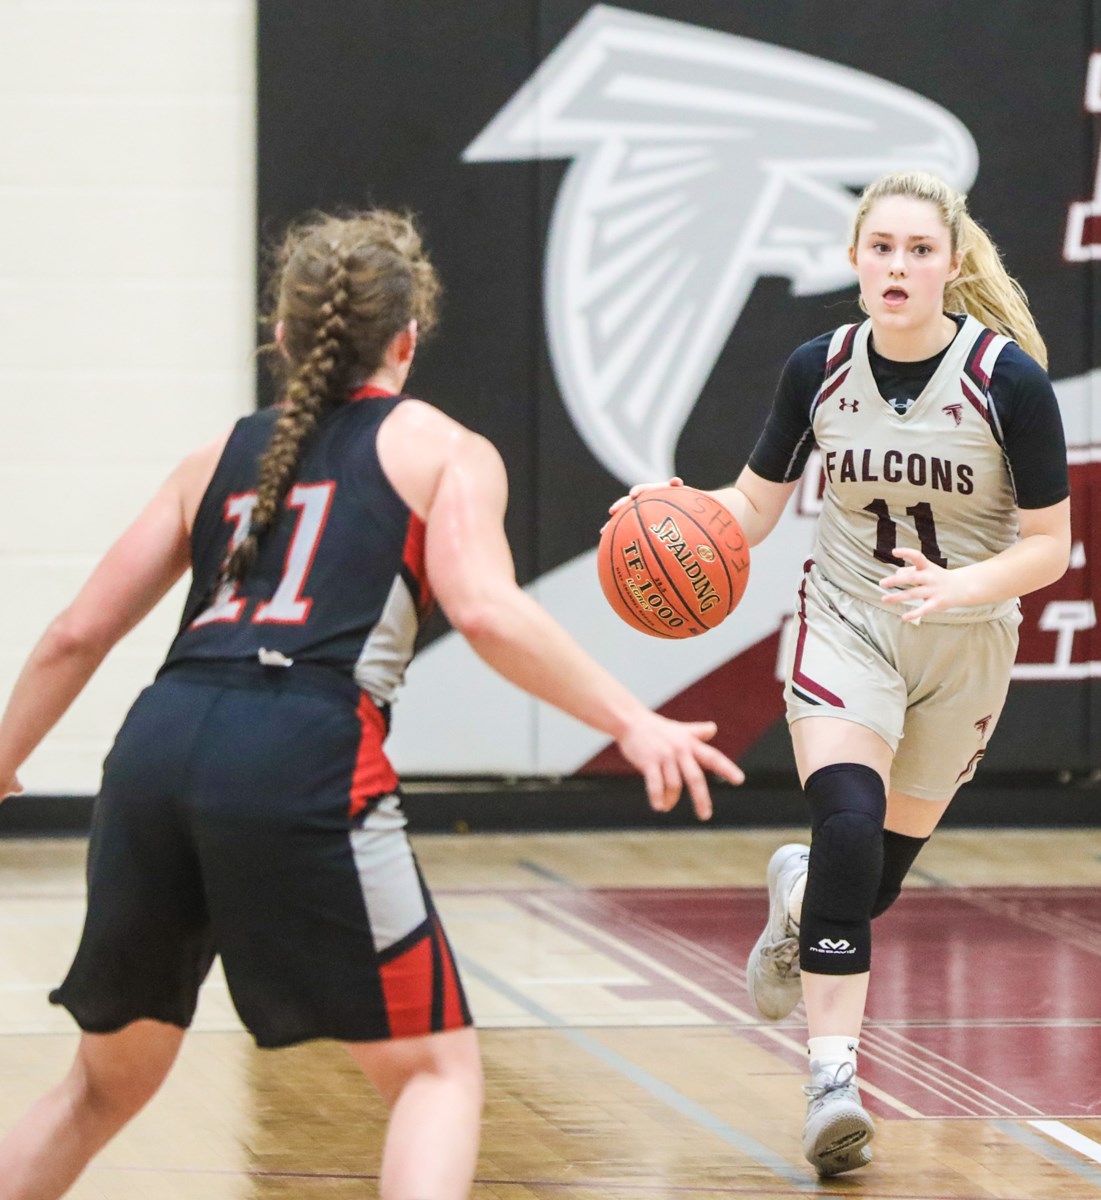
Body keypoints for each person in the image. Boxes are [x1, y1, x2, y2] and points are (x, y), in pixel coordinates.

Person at [0, 208, 744, 1200]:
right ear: (405, 339)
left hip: (155, 749)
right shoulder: (441, 448)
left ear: (283, 336)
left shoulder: (216, 455)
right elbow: (482, 610)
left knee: (99, 1089)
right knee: (436, 1073)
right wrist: (630, 718)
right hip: (299, 744)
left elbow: (74, 635)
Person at [610, 171, 1070, 1177]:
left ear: (950, 264)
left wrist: (960, 586)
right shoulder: (816, 367)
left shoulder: (1006, 381)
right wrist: (669, 511)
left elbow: (1049, 546)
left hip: (964, 641)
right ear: (854, 261)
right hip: (848, 626)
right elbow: (753, 506)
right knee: (848, 824)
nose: (897, 267)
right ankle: (831, 1082)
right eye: (880, 249)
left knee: (869, 882)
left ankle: (800, 895)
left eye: (916, 250)